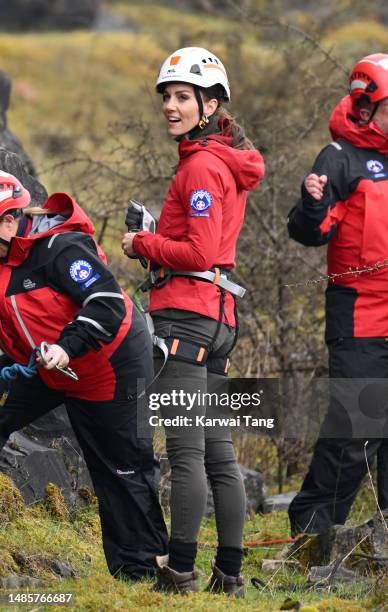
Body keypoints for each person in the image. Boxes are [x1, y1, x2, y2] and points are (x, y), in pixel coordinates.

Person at [122, 46, 265, 595]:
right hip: (218, 317)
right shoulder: (218, 159)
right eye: (167, 97)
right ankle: (227, 576)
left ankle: (179, 572)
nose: (170, 106)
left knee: (186, 453)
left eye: (182, 97)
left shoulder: (203, 165)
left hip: (187, 317)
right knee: (217, 451)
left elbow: (200, 252)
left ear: (209, 106)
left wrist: (142, 243)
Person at [0, 164, 168, 581]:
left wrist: (65, 346)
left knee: (122, 467)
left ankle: (146, 572)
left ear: (8, 219)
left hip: (109, 362)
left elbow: (107, 302)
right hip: (40, 366)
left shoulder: (60, 248)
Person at [287, 53, 388, 535]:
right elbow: (311, 231)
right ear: (366, 107)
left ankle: (381, 540)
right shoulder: (339, 158)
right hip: (360, 314)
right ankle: (312, 534)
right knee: (358, 429)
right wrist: (311, 203)